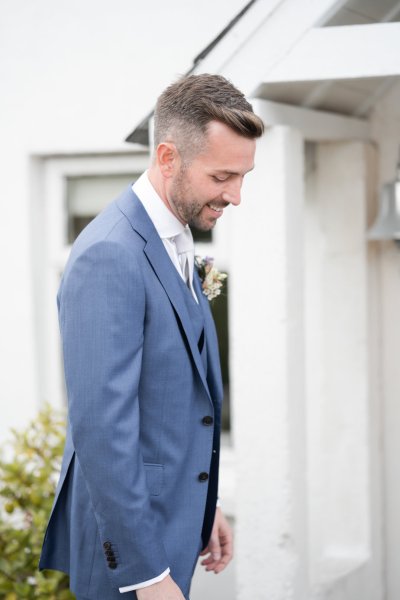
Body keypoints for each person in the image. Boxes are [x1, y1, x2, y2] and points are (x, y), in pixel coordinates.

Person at [39, 73, 264, 600]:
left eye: (243, 176)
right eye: (223, 176)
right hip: (127, 558)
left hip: (173, 520)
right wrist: (146, 575)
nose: (236, 195)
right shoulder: (109, 254)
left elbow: (173, 401)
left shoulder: (175, 233)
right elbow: (101, 430)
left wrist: (203, 507)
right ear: (168, 158)